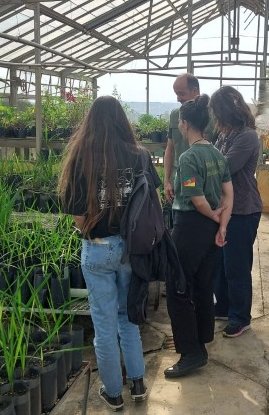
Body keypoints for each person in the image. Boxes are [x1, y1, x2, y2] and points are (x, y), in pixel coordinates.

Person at [59, 96, 158, 411]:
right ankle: (139, 384)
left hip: (98, 250)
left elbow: (76, 216)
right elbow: (152, 200)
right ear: (121, 121)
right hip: (131, 250)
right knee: (127, 317)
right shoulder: (140, 155)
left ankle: (113, 392)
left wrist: (93, 226)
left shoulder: (80, 158)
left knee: (103, 325)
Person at [164, 95, 233, 378]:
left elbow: (195, 197)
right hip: (210, 229)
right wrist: (222, 225)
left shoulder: (189, 157)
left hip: (191, 226)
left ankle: (190, 352)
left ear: (184, 124)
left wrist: (215, 217)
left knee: (178, 287)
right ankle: (201, 341)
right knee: (203, 285)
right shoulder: (218, 154)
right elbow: (229, 194)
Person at [210, 86, 262, 338]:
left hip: (242, 209)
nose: (215, 119)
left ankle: (241, 317)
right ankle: (224, 306)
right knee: (220, 263)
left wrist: (202, 166)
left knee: (237, 266)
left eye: (217, 113)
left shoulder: (247, 136)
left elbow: (224, 167)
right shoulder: (225, 134)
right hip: (225, 209)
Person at [163, 73, 201, 205]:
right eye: (176, 94)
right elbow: (170, 148)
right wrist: (167, 181)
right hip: (177, 182)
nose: (178, 98)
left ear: (195, 91)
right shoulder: (175, 115)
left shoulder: (211, 116)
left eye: (181, 94)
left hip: (201, 184)